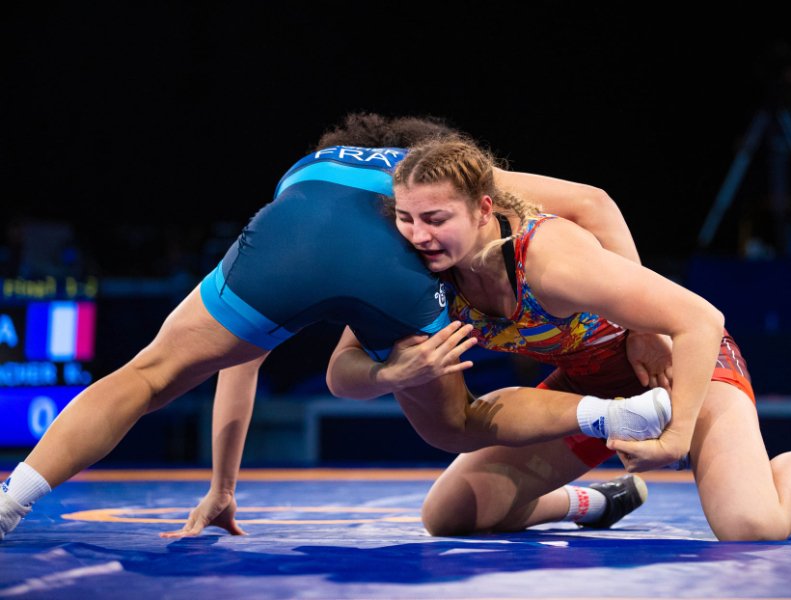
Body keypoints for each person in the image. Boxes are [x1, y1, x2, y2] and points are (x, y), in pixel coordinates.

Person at [0, 113, 671, 541]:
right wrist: (638, 323)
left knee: (146, 377)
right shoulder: (427, 175)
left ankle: (13, 498)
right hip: (391, 279)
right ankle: (613, 414)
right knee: (456, 423)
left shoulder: (306, 172)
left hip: (283, 239)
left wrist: (223, 488)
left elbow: (243, 362)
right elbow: (591, 201)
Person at [329, 134, 791, 540]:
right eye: (406, 219)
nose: (419, 236)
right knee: (450, 515)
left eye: (435, 219)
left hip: (678, 368)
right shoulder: (415, 277)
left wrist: (675, 430)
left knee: (751, 526)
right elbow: (341, 372)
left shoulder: (549, 260)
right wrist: (389, 374)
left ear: (482, 211)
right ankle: (591, 503)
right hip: (594, 389)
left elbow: (701, 319)